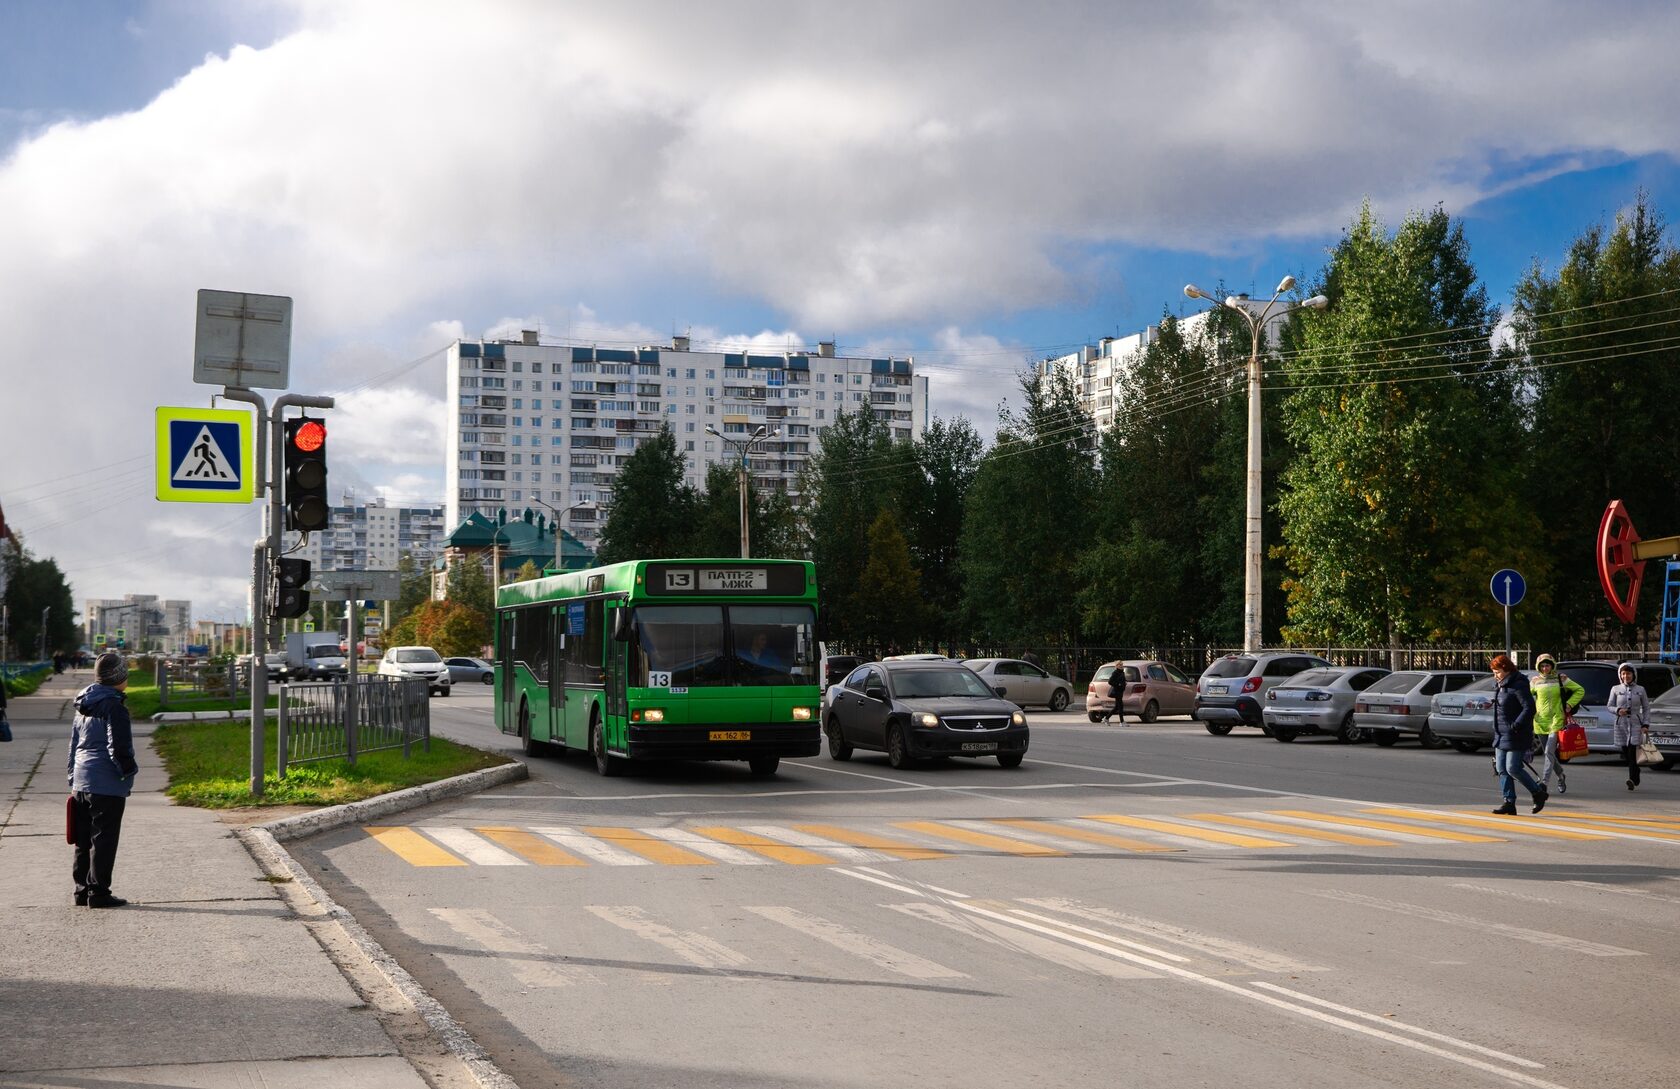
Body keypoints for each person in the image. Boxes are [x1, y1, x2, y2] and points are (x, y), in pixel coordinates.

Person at [68, 652, 139, 908]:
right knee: (104, 838)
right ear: (119, 678)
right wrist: (128, 771)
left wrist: (72, 776)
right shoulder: (114, 707)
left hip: (81, 780)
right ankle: (99, 893)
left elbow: (74, 745)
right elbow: (118, 747)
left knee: (83, 839)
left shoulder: (83, 705)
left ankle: (81, 890)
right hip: (106, 784)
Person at [1488, 653, 1546, 815]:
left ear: (1506, 670)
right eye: (1494, 672)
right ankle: (1509, 802)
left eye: (1497, 672)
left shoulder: (1518, 684)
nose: (1495, 675)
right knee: (1501, 768)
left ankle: (1538, 793)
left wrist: (1517, 725)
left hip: (1516, 733)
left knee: (1513, 768)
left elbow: (1529, 707)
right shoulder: (1501, 685)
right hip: (1501, 733)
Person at [1530, 653, 1583, 794]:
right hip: (1540, 721)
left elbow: (1580, 690)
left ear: (1552, 665)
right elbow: (1528, 698)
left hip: (1556, 720)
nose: (1545, 668)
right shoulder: (1535, 681)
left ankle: (1544, 783)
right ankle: (1561, 775)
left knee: (1548, 751)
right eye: (1542, 665)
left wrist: (1569, 705)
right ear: (1538, 667)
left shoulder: (1561, 678)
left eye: (1547, 665)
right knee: (1550, 754)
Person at [1606, 663, 1651, 791]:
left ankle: (1632, 779)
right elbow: (1609, 706)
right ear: (1620, 675)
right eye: (1624, 673)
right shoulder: (1615, 689)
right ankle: (1636, 771)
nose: (1626, 676)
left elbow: (1647, 708)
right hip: (1621, 725)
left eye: (1629, 673)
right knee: (1626, 752)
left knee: (1632, 752)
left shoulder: (1640, 690)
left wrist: (1646, 724)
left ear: (1633, 675)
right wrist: (1618, 710)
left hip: (1636, 724)